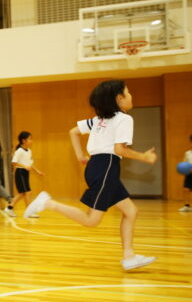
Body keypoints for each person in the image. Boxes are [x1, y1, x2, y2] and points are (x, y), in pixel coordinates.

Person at [24, 80, 157, 271]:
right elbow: (119, 149)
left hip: (99, 167)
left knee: (131, 211)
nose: (131, 96)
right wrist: (143, 157)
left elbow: (73, 132)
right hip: (106, 168)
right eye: (128, 93)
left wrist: (80, 156)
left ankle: (129, 256)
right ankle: (47, 203)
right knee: (91, 220)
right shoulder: (124, 118)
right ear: (119, 99)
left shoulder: (99, 119)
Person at [8, 131, 44, 217]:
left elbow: (30, 163)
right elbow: (14, 162)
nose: (31, 141)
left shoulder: (29, 151)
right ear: (24, 140)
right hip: (20, 172)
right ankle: (29, 211)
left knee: (22, 193)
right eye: (30, 139)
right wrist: (24, 166)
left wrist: (37, 171)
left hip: (25, 173)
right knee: (27, 192)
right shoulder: (19, 151)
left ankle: (9, 208)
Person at [180, 134, 192, 212]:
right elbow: (184, 163)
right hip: (189, 174)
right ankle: (187, 206)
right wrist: (184, 169)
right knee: (186, 189)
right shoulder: (188, 153)